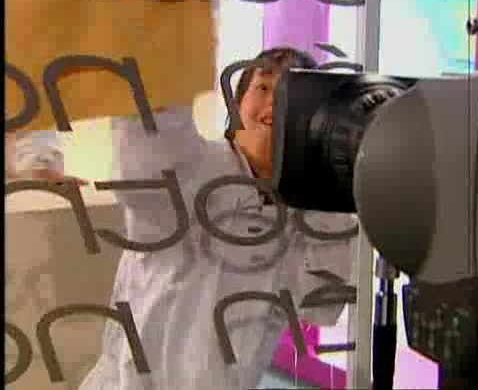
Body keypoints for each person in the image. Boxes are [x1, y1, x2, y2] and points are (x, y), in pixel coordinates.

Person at [78, 47, 359, 390]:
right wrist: (160, 63)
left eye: (291, 95)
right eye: (264, 87)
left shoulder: (302, 213)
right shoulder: (196, 171)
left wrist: (333, 181)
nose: (275, 102)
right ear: (237, 106)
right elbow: (146, 166)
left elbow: (321, 306)